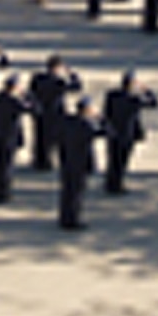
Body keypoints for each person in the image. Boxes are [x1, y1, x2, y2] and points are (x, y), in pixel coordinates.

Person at [102, 72, 158, 195]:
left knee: (112, 159)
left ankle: (110, 183)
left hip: (113, 132)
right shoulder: (134, 99)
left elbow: (106, 113)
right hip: (127, 134)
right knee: (122, 161)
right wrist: (146, 90)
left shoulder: (112, 95)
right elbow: (154, 103)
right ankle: (117, 185)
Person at [0, 74, 33, 204]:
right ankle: (3, 192)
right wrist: (27, 96)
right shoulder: (15, 101)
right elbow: (35, 109)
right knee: (6, 165)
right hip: (9, 135)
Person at [27, 56, 80, 171]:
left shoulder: (38, 78)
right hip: (55, 113)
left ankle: (39, 160)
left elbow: (30, 93)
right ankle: (47, 161)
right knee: (53, 138)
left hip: (40, 112)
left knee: (39, 137)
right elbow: (76, 87)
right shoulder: (59, 81)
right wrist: (71, 73)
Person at [57, 97, 103, 229]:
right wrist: (99, 118)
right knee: (76, 192)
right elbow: (108, 131)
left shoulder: (67, 121)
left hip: (66, 160)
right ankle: (73, 219)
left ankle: (64, 217)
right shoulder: (87, 125)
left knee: (67, 191)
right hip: (81, 162)